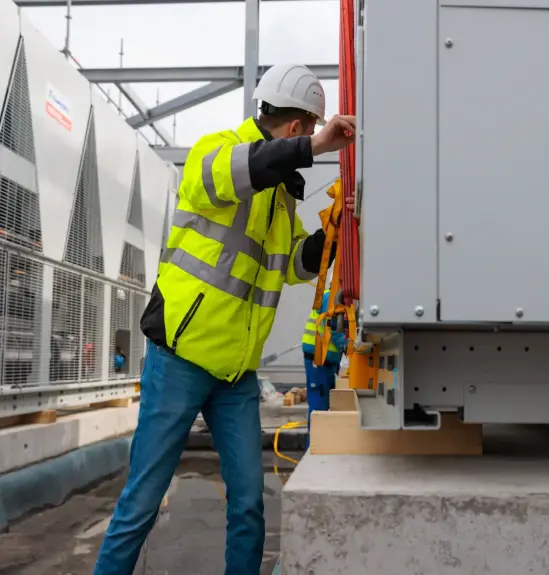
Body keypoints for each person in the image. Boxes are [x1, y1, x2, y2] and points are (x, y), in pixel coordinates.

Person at [92, 64, 356, 575]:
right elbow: (240, 170)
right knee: (141, 504)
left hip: (236, 374)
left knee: (249, 507)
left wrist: (328, 239)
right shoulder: (216, 151)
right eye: (308, 130)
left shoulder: (280, 196)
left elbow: (294, 264)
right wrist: (316, 149)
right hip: (181, 360)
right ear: (299, 127)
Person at [302, 287, 348, 445]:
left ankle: (319, 447)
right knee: (319, 408)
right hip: (319, 360)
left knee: (324, 405)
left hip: (324, 361)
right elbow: (335, 330)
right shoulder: (332, 298)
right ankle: (313, 449)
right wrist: (351, 347)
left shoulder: (334, 298)